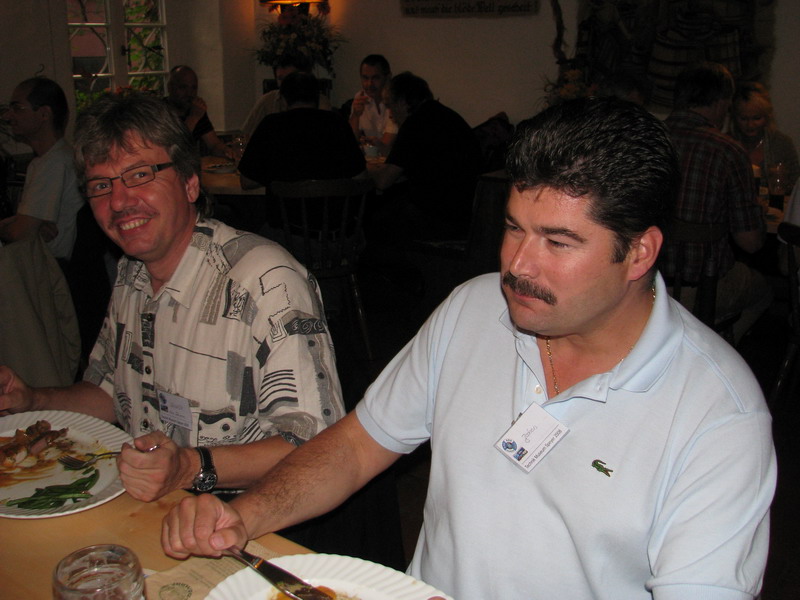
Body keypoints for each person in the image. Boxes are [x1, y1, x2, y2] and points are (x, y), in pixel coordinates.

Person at [161, 97, 776, 600]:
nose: (517, 265)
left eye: (558, 242)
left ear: (639, 252)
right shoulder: (475, 309)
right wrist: (245, 515)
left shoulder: (717, 415)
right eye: (513, 227)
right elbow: (356, 447)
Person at [0, 93, 345, 503]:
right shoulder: (131, 273)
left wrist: (189, 467)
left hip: (247, 517)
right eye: (101, 185)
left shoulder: (266, 282)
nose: (118, 201)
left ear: (189, 182)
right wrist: (34, 400)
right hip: (154, 508)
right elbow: (110, 392)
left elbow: (316, 448)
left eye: (139, 175)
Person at [661, 62, 772, 344]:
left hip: (643, 282)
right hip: (701, 287)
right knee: (765, 290)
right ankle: (716, 349)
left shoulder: (647, 138)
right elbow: (750, 242)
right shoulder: (727, 150)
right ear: (721, 101)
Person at [372, 71, 481, 240]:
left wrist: (366, 169)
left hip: (437, 216)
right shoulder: (445, 116)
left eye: (390, 105)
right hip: (466, 213)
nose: (391, 114)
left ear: (402, 102)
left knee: (375, 218)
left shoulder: (415, 123)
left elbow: (383, 181)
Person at [0, 77, 83, 261]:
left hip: (57, 268)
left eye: (18, 108)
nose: (8, 116)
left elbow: (20, 233)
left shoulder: (54, 162)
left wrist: (12, 227)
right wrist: (29, 226)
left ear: (44, 114)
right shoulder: (46, 160)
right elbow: (28, 228)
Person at [238, 72, 365, 190]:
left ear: (284, 100)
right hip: (333, 206)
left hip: (285, 206)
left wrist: (274, 178)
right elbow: (360, 176)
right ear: (317, 98)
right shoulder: (337, 123)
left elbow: (247, 181)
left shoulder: (270, 125)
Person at [240, 53, 332, 140]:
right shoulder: (267, 100)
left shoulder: (320, 101)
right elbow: (246, 134)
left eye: (290, 78)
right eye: (281, 79)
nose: (285, 83)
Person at [730, 81, 800, 194]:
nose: (750, 125)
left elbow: (795, 185)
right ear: (734, 117)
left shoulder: (781, 144)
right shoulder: (727, 144)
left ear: (767, 117)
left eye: (756, 118)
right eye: (744, 119)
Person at [165, 65, 233, 159]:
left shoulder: (195, 110)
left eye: (193, 88)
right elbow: (173, 148)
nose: (189, 93)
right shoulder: (159, 111)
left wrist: (226, 151)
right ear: (170, 88)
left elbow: (214, 144)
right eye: (183, 87)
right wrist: (193, 118)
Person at [348, 54, 397, 154]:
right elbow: (350, 141)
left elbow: (386, 144)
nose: (369, 84)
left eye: (375, 78)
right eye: (365, 78)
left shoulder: (396, 100)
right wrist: (355, 115)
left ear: (388, 77)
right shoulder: (360, 97)